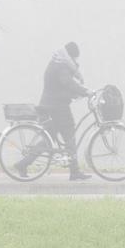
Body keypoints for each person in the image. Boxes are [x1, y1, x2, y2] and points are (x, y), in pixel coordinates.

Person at [21, 41, 92, 181]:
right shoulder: (61, 66)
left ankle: (23, 164)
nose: (76, 60)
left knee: (50, 138)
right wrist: (86, 91)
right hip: (57, 107)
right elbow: (67, 83)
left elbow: (60, 86)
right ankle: (75, 171)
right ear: (70, 56)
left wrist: (76, 93)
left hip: (49, 105)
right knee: (70, 133)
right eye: (75, 58)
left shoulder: (57, 62)